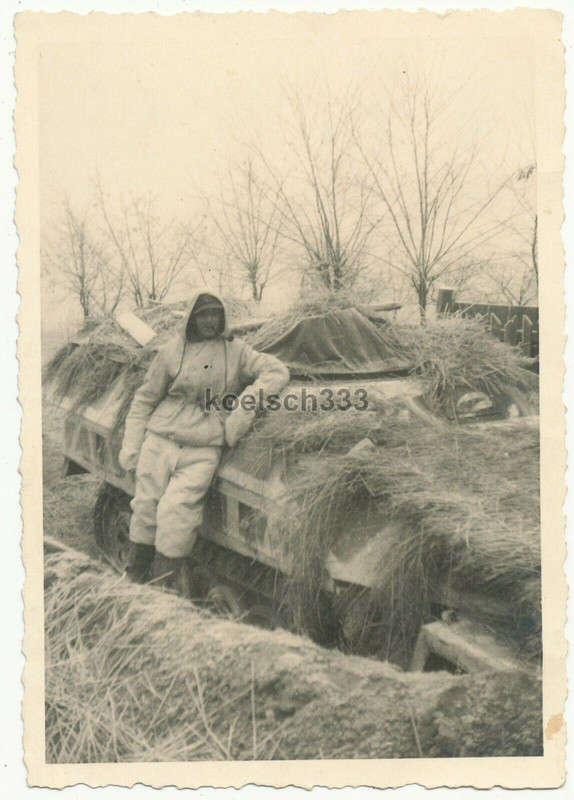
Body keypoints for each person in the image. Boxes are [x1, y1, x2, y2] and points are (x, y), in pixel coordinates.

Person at [118, 289, 290, 588]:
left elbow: (276, 371)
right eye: (203, 315)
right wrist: (131, 445)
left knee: (177, 516)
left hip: (203, 447)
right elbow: (144, 399)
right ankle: (134, 576)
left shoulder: (236, 351)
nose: (210, 321)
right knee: (145, 507)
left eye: (215, 315)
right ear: (192, 319)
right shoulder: (171, 351)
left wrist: (241, 412)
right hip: (160, 440)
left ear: (223, 317)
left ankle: (162, 589)